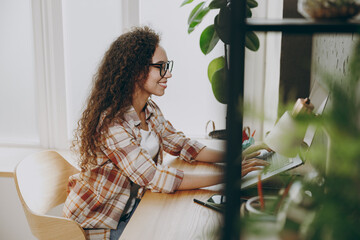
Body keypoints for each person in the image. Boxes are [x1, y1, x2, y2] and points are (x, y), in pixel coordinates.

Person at [63, 26, 267, 240]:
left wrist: (235, 156)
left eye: (167, 66)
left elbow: (182, 144)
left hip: (131, 210)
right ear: (136, 71)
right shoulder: (111, 124)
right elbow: (154, 177)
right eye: (161, 67)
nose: (168, 73)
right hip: (99, 223)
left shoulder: (149, 110)